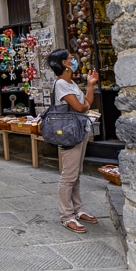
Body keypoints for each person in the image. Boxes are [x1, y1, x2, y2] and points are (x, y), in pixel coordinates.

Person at [47, 48, 99, 233]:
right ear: (64, 63)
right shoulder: (61, 84)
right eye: (70, 58)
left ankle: (77, 210)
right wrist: (84, 106)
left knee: (76, 173)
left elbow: (86, 103)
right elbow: (80, 107)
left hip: (80, 131)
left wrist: (91, 85)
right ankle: (66, 215)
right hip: (69, 133)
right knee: (69, 175)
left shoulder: (72, 84)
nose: (74, 60)